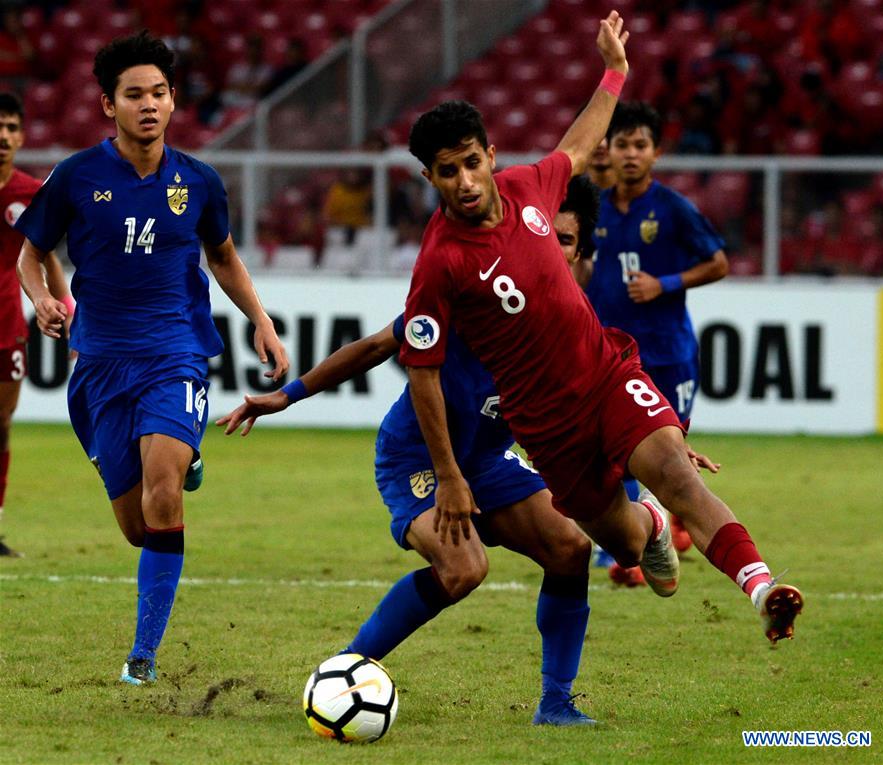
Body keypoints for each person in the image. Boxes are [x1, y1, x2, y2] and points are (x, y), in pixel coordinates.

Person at [398, 11, 802, 644]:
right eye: (447, 172)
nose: (465, 181)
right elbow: (420, 371)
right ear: (430, 177)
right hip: (545, 424)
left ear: (490, 154)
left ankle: (763, 588)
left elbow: (579, 146)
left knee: (674, 468)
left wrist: (614, 72)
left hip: (606, 375)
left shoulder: (530, 186)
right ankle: (650, 524)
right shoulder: (439, 262)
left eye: (472, 162)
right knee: (624, 539)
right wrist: (450, 476)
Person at [217, 179, 607, 726]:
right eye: (552, 237)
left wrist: (660, 452)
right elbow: (379, 345)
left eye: (569, 242)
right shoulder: (479, 296)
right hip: (417, 460)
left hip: (486, 464)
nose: (556, 250)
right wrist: (289, 394)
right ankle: (344, 672)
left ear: (583, 253)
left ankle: (556, 704)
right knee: (465, 567)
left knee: (570, 550)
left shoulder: (570, 327)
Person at [15, 31, 288, 685]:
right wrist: (43, 299)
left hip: (176, 353)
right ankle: (181, 459)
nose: (149, 105)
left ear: (173, 101)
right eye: (134, 94)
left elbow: (221, 256)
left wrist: (261, 319)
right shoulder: (78, 177)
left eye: (159, 93)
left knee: (164, 495)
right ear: (109, 105)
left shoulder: (198, 181)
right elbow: (31, 254)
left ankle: (143, 656)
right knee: (140, 529)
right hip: (100, 365)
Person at [585, 101, 729, 580]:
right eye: (622, 144)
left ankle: (668, 525)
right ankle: (631, 547)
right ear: (611, 151)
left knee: (668, 458)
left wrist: (663, 284)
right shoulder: (596, 208)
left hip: (669, 354)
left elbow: (718, 263)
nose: (630, 154)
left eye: (640, 145)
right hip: (614, 357)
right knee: (615, 453)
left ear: (655, 152)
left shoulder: (672, 208)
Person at [0, 92, 71, 557]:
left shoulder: (30, 193)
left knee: (0, 424)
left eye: (10, 128)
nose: (2, 137)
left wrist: (65, 302)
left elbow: (43, 256)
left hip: (7, 324)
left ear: (22, 136)